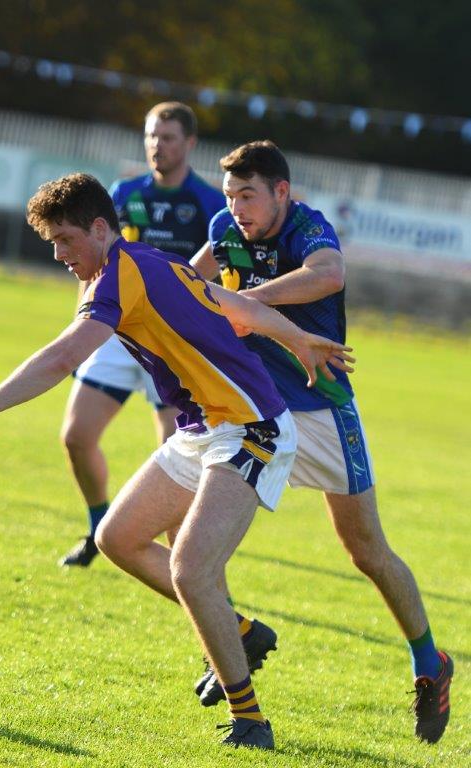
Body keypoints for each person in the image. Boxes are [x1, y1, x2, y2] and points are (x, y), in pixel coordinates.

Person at [0, 173, 353, 749]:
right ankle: (242, 633)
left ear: (100, 229)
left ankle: (250, 720)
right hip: (202, 428)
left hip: (252, 427)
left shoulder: (122, 275)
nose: (58, 255)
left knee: (191, 569)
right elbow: (227, 301)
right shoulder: (141, 263)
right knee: (116, 537)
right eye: (50, 244)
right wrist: (296, 339)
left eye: (65, 240)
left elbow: (60, 359)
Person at [174, 140, 450, 743]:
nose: (237, 208)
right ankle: (228, 644)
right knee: (185, 524)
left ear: (281, 192)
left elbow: (329, 275)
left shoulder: (308, 227)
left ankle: (430, 661)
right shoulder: (224, 229)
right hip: (248, 410)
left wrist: (247, 302)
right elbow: (186, 286)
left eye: (249, 195)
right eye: (229, 196)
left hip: (320, 406)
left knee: (366, 550)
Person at [59, 102, 226, 567]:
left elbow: (215, 278)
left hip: (169, 343)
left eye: (168, 137)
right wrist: (81, 318)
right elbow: (92, 263)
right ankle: (98, 526)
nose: (158, 145)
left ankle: (186, 565)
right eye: (152, 136)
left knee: (172, 454)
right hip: (113, 332)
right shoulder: (125, 193)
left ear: (190, 144)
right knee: (76, 435)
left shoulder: (209, 204)